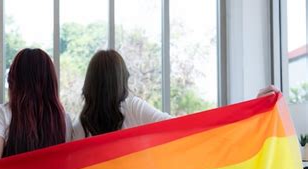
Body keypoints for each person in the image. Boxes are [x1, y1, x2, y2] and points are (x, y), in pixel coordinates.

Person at [73, 49, 280, 140]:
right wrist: (251, 110)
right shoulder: (132, 107)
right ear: (121, 80)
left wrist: (252, 108)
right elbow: (183, 126)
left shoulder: (78, 126)